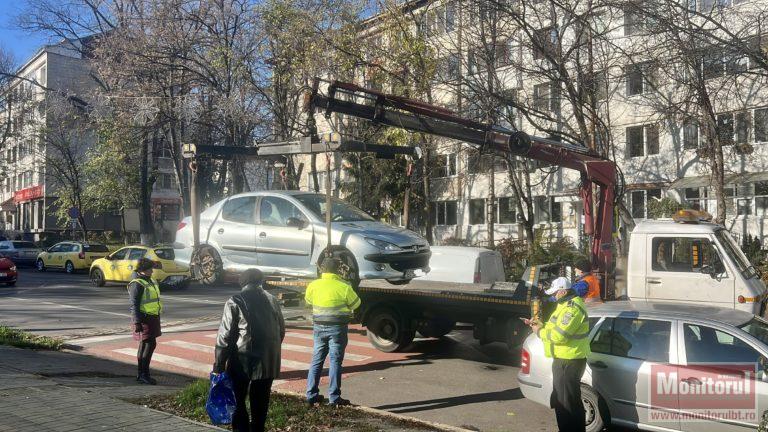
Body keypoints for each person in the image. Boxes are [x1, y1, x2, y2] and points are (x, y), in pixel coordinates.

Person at [213, 269, 285, 432]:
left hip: (242, 359)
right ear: (261, 282)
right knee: (261, 401)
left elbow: (225, 336)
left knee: (237, 399)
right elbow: (281, 331)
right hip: (269, 360)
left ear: (243, 282)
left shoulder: (235, 300)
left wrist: (218, 364)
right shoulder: (272, 299)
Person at [528, 277, 590, 432]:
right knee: (566, 400)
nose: (553, 296)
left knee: (566, 404)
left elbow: (560, 336)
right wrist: (538, 324)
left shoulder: (572, 309)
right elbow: (553, 326)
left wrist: (539, 332)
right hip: (565, 360)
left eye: (555, 293)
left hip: (568, 361)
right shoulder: (563, 305)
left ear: (563, 291)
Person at [304, 257, 361, 407]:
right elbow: (356, 303)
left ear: (322, 270)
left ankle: (311, 394)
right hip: (337, 328)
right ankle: (334, 398)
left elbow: (308, 300)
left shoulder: (313, 285)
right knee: (335, 362)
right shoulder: (344, 286)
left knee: (316, 360)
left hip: (318, 327)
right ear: (337, 270)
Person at [128, 258, 163, 385]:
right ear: (143, 270)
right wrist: (137, 322)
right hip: (144, 318)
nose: (152, 271)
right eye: (150, 269)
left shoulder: (149, 280)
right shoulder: (137, 283)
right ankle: (143, 374)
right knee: (148, 345)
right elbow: (134, 304)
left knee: (146, 345)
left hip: (153, 317)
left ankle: (142, 374)